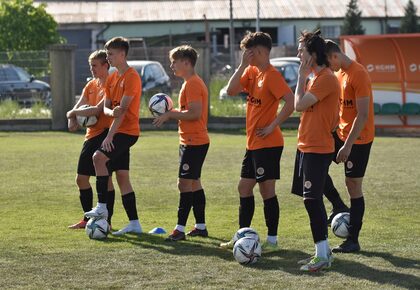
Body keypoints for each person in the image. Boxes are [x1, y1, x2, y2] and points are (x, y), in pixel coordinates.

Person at [220, 31, 294, 250]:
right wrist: (242, 65)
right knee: (244, 187)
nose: (246, 56)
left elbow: (290, 101)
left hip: (269, 144)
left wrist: (273, 125)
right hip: (253, 143)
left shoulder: (272, 75)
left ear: (260, 52)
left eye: (249, 52)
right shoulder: (251, 71)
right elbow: (231, 91)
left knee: (266, 191)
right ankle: (242, 235)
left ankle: (272, 241)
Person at [291, 30, 340, 271]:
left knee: (312, 200)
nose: (298, 54)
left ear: (313, 54)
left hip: (318, 148)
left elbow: (298, 105)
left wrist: (300, 77)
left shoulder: (325, 78)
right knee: (310, 199)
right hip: (306, 146)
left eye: (301, 50)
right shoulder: (315, 78)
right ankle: (322, 252)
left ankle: (322, 255)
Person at [84, 37, 142, 236]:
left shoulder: (132, 77)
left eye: (110, 54)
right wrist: (110, 113)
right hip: (117, 129)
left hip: (127, 132)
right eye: (107, 53)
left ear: (122, 55)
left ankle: (101, 206)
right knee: (122, 177)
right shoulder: (112, 77)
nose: (108, 57)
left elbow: (123, 111)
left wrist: (109, 136)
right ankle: (134, 223)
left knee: (98, 158)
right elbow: (108, 108)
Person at [153, 45, 210, 241]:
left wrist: (169, 114)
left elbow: (194, 113)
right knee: (193, 183)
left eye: (174, 62)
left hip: (194, 141)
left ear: (186, 62)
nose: (171, 66)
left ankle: (179, 229)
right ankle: (201, 227)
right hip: (190, 140)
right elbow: (189, 110)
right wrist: (172, 110)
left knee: (183, 183)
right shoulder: (189, 83)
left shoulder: (193, 83)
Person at [325, 40, 374, 253]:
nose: (328, 67)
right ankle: (337, 204)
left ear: (334, 56)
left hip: (358, 139)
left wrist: (347, 146)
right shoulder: (338, 74)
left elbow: (362, 115)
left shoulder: (359, 74)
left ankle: (353, 240)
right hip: (341, 134)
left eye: (328, 62)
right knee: (312, 164)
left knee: (353, 185)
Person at [66, 50, 116, 229]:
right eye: (90, 65)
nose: (92, 69)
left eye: (95, 65)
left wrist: (72, 113)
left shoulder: (110, 85)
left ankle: (107, 221)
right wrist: (72, 118)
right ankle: (87, 219)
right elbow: (79, 106)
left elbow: (96, 110)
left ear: (105, 65)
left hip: (105, 134)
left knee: (107, 179)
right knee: (81, 179)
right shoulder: (90, 86)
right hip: (90, 136)